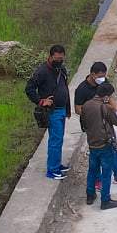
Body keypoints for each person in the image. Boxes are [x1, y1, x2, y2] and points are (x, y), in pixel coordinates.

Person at [75, 62, 117, 185]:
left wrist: (115, 108)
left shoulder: (103, 82)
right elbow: (78, 109)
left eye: (104, 75)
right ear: (92, 74)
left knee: (113, 148)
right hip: (93, 126)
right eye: (99, 76)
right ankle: (97, 180)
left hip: (106, 123)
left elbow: (109, 97)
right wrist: (95, 112)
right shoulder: (82, 89)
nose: (102, 79)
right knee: (96, 154)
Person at [24, 43, 71, 180]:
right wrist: (40, 101)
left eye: (61, 59)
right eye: (57, 59)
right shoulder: (42, 72)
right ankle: (52, 170)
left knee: (59, 139)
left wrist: (67, 109)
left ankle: (56, 164)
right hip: (52, 111)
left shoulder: (61, 70)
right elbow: (29, 88)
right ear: (50, 57)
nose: (59, 61)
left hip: (61, 110)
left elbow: (65, 89)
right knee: (55, 140)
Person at [80, 79, 117, 210]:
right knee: (106, 173)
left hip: (92, 144)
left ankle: (90, 195)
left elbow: (84, 124)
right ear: (106, 96)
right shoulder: (104, 107)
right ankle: (105, 200)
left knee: (92, 170)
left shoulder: (86, 105)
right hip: (105, 145)